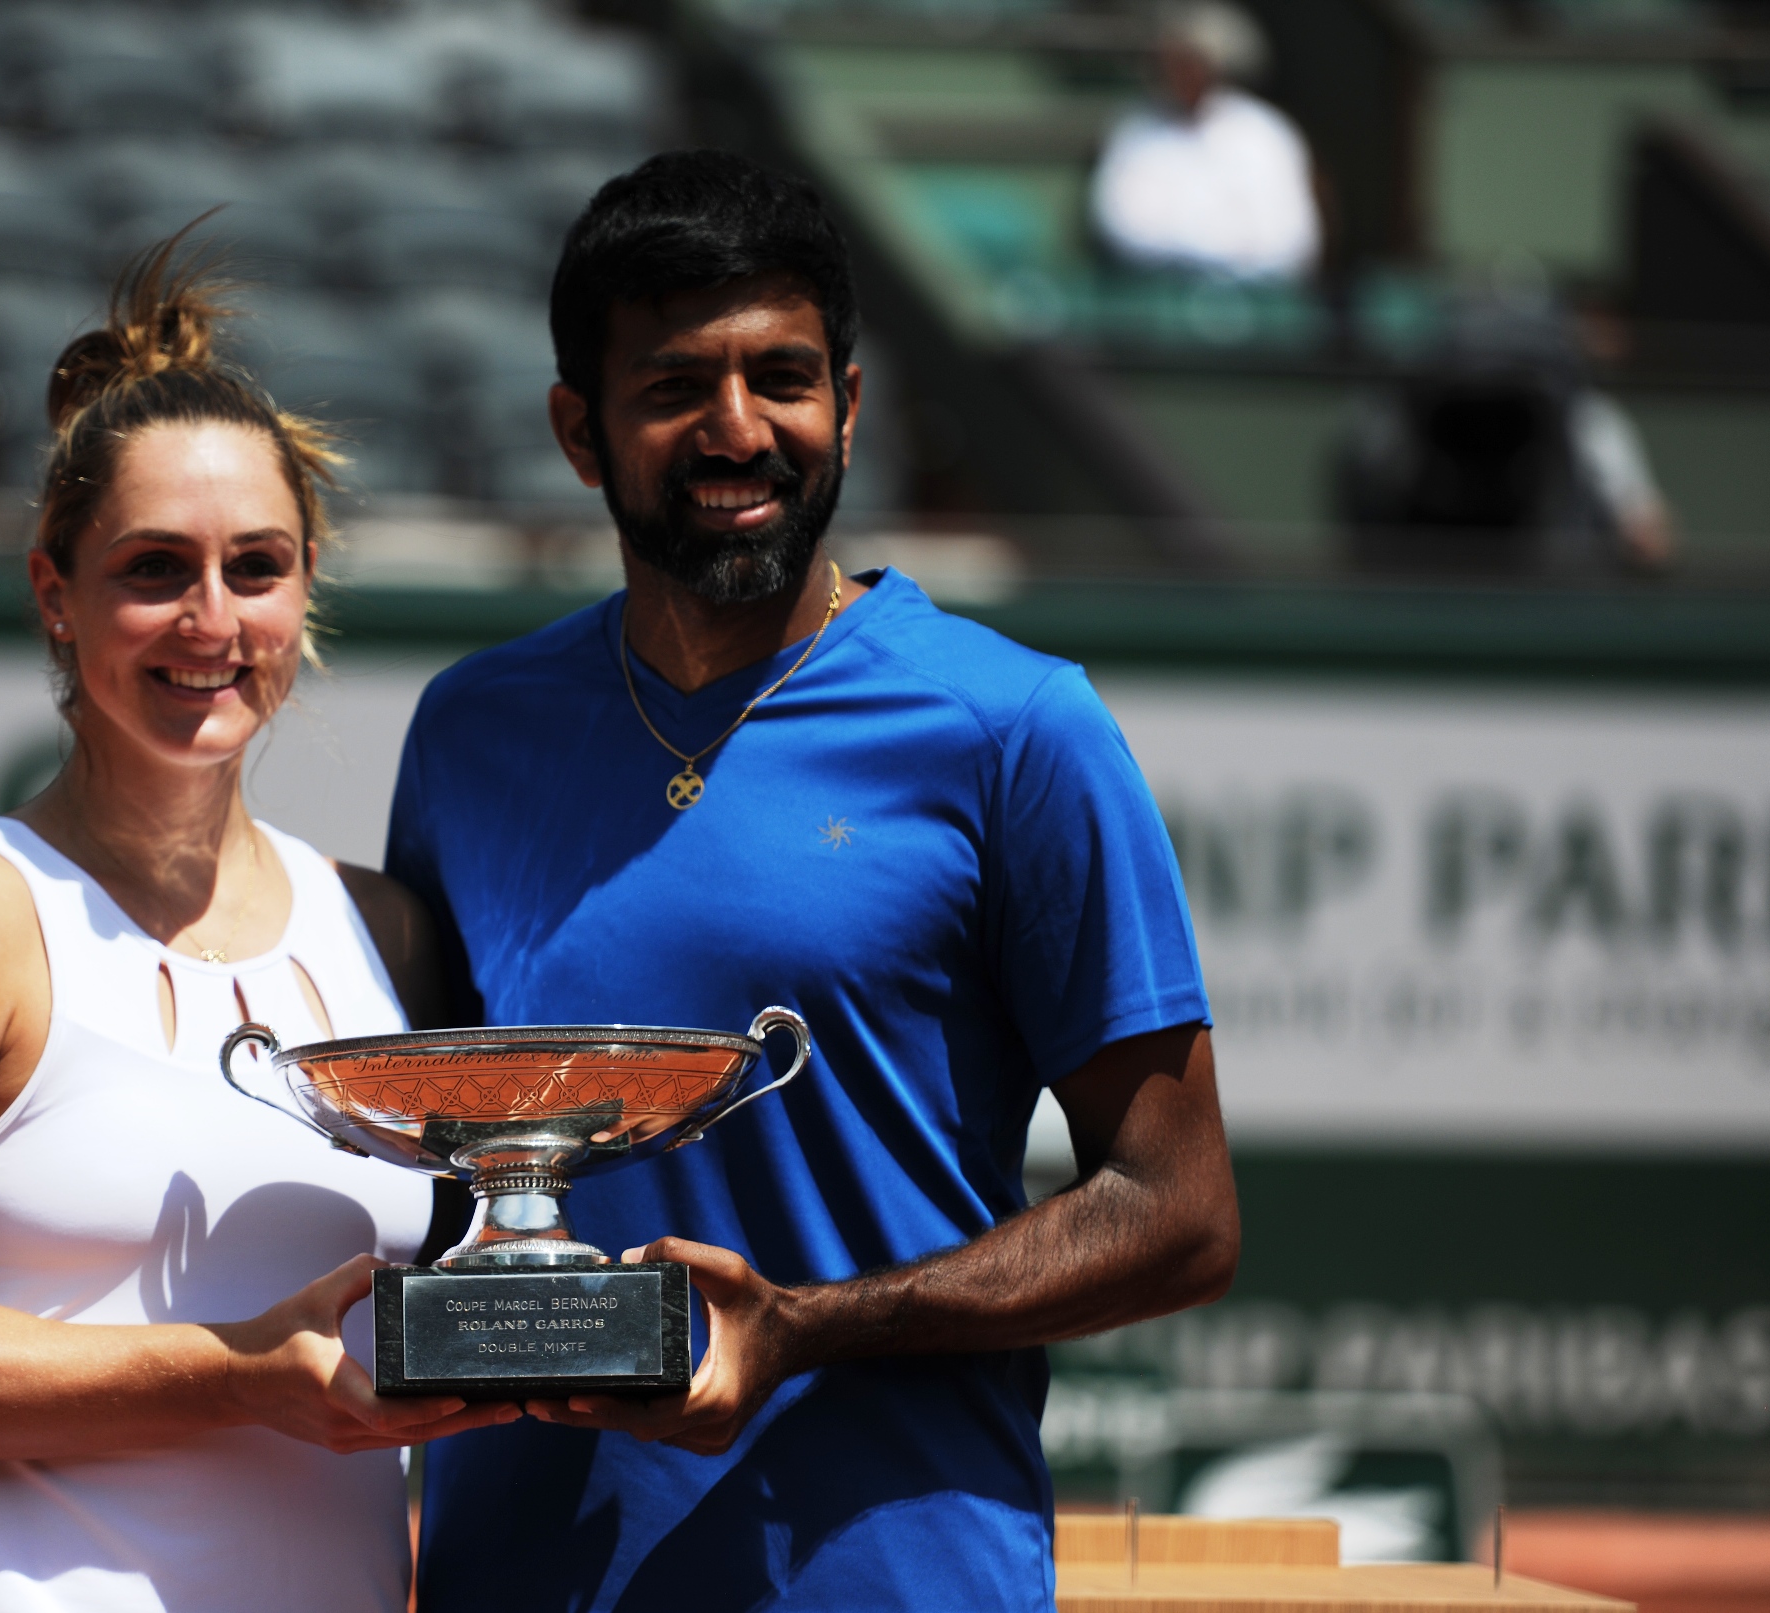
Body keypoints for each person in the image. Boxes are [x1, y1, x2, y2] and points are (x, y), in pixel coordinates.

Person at [387, 151, 1240, 1612]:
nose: (736, 431)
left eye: (781, 377)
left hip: (892, 1579)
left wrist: (805, 1324)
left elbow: (1174, 1208)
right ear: (577, 432)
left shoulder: (1012, 725)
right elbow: (452, 1171)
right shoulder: (471, 730)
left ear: (848, 405)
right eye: (672, 387)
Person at [0, 238, 511, 1613]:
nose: (211, 621)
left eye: (256, 568)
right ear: (57, 595)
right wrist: (232, 1374)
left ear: (304, 591)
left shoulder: (382, 928)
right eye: (154, 569)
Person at [1089, 1, 1319, 282]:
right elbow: (1122, 226)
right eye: (1170, 64)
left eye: (1189, 63)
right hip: (1158, 294)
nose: (1178, 75)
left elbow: (1290, 238)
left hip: (1253, 298)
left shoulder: (1263, 133)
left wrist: (1217, 255)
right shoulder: (1134, 130)